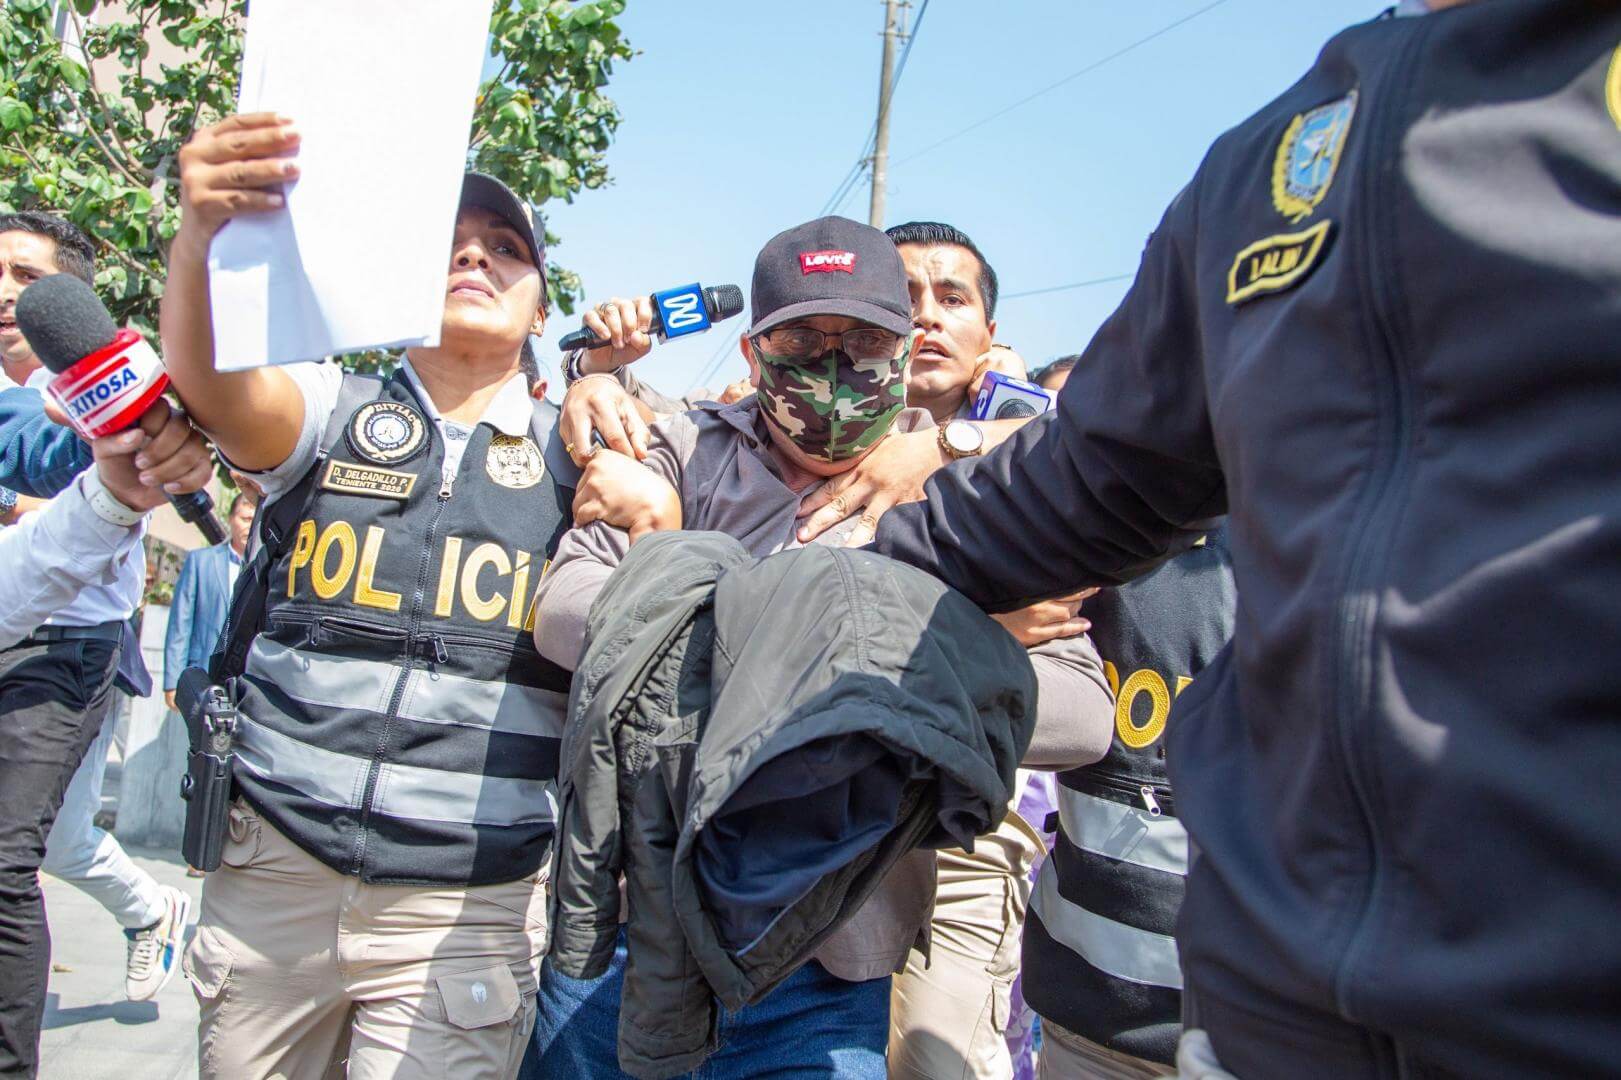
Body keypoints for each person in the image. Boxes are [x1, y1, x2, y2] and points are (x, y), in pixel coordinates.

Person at [858, 2, 1621, 1075]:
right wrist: (827, 588)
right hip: (1261, 1007)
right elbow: (1097, 473)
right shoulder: (1266, 162)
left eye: (951, 295)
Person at [527, 215, 1114, 1079]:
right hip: (630, 930)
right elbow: (571, 614)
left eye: (864, 340)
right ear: (756, 352)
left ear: (905, 347)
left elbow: (1077, 716)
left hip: (833, 957)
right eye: (803, 338)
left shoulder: (968, 496)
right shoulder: (678, 447)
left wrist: (681, 562)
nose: (833, 365)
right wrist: (929, 644)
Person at [158, 112, 579, 1078]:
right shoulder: (328, 406)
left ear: (543, 305)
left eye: (504, 249)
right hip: (273, 879)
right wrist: (199, 235)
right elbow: (213, 382)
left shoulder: (589, 455)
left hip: (463, 912)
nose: (473, 258)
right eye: (448, 247)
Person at [0, 396, 213, 1076]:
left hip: (69, 649)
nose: (8, 296)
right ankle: (148, 909)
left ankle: (149, 908)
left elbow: (62, 471)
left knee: (25, 852)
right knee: (53, 844)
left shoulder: (81, 403)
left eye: (29, 282)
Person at [162, 491, 257, 711]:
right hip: (202, 674)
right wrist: (172, 681)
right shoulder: (200, 562)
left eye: (254, 521)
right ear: (231, 519)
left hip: (246, 681)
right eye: (244, 519)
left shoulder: (263, 569)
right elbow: (180, 624)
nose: (248, 527)